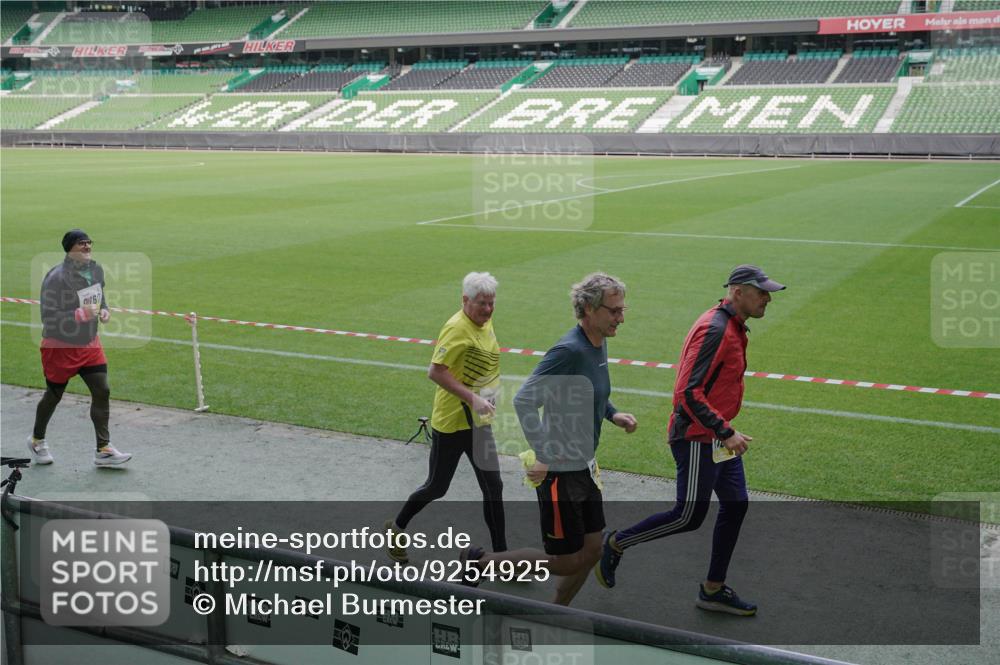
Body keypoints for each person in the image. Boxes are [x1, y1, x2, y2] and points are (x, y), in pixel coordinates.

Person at [595, 264, 786, 617]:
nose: (768, 299)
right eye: (762, 293)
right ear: (738, 292)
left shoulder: (732, 325)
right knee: (688, 516)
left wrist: (724, 430)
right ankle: (617, 542)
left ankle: (712, 590)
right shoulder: (715, 329)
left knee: (736, 504)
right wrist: (725, 431)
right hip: (698, 436)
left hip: (716, 434)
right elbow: (686, 394)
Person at [460, 272, 637, 606]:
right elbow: (524, 400)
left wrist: (612, 413)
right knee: (566, 561)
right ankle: (480, 563)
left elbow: (591, 391)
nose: (621, 318)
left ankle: (557, 612)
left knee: (593, 549)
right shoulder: (569, 350)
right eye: (614, 311)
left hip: (585, 465)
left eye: (622, 310)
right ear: (589, 309)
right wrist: (544, 454)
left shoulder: (598, 342)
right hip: (560, 472)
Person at [385, 272, 506, 563]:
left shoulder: (484, 322)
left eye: (491, 303)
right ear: (465, 300)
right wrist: (474, 398)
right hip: (453, 423)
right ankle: (396, 528)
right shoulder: (456, 328)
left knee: (493, 486)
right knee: (437, 487)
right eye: (482, 303)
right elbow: (436, 372)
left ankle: (504, 558)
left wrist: (488, 394)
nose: (488, 309)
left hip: (478, 423)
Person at [27, 229, 132, 467]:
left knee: (102, 390)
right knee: (54, 395)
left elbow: (99, 296)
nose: (87, 246)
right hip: (60, 347)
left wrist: (104, 310)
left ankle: (103, 449)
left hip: (89, 343)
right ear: (69, 248)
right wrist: (80, 314)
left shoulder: (95, 270)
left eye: (88, 242)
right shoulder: (56, 278)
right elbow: (48, 317)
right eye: (81, 243)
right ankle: (37, 440)